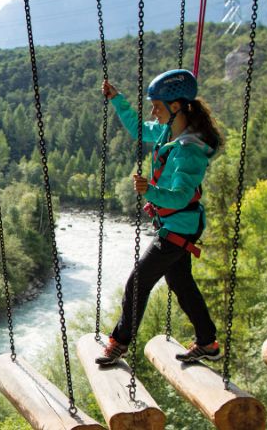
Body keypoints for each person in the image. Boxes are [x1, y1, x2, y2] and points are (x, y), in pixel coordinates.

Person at [96, 69, 223, 365]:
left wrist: (149, 191)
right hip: (178, 225)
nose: (153, 111)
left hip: (179, 226)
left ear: (176, 106)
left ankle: (119, 342)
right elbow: (138, 129)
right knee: (181, 283)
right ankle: (208, 343)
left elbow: (180, 195)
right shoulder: (169, 132)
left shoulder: (189, 151)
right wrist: (117, 99)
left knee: (137, 282)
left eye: (157, 105)